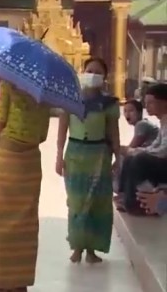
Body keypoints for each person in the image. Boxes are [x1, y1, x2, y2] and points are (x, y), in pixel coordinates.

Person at [0, 78, 52, 292]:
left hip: (8, 160)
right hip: (30, 162)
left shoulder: (9, 83)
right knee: (25, 224)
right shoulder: (45, 89)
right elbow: (42, 134)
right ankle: (19, 284)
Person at [56, 57, 120, 263]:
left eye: (98, 72)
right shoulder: (70, 99)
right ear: (82, 72)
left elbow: (113, 132)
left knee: (96, 203)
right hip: (75, 154)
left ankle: (92, 249)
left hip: (99, 156)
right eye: (89, 70)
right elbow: (62, 129)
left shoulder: (109, 104)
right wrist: (59, 155)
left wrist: (118, 157)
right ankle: (77, 246)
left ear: (105, 77)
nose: (93, 75)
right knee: (76, 202)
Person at [118, 83, 167, 215]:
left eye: (151, 102)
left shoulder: (144, 124)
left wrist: (137, 151)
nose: (147, 106)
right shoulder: (163, 122)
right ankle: (125, 197)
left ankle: (135, 204)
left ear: (164, 103)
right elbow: (155, 145)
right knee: (132, 157)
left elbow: (163, 151)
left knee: (139, 160)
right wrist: (135, 152)